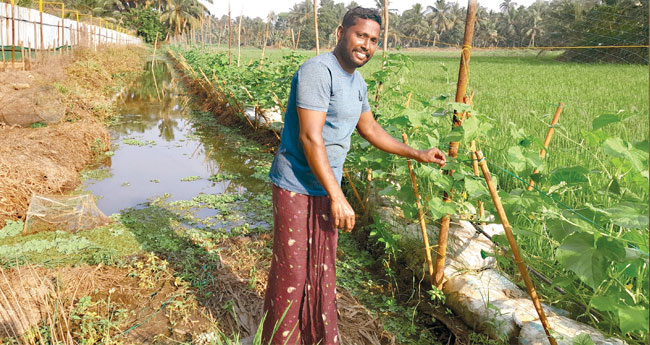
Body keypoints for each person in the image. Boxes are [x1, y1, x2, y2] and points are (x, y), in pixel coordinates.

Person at [263, 7, 446, 345]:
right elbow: (310, 137)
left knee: (322, 267)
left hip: (326, 186)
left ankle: (315, 337)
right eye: (360, 35)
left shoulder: (356, 80)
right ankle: (281, 339)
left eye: (374, 40)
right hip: (297, 186)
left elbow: (370, 128)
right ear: (341, 32)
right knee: (293, 271)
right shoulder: (319, 71)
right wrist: (338, 196)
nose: (366, 45)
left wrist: (417, 153)